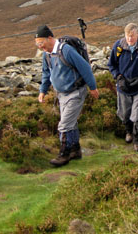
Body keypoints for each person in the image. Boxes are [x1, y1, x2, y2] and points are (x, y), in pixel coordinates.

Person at [36, 25, 99, 167]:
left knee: (64, 125)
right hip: (61, 95)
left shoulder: (66, 50)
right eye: (37, 43)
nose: (40, 46)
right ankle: (75, 151)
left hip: (75, 92)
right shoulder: (47, 55)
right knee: (71, 123)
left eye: (41, 42)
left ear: (50, 38)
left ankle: (63, 154)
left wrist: (93, 87)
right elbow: (46, 73)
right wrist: (42, 90)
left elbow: (84, 67)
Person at [108, 23, 138, 151]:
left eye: (132, 36)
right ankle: (128, 132)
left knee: (137, 115)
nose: (129, 39)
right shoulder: (118, 45)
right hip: (123, 86)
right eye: (127, 36)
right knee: (125, 114)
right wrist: (118, 77)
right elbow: (111, 65)